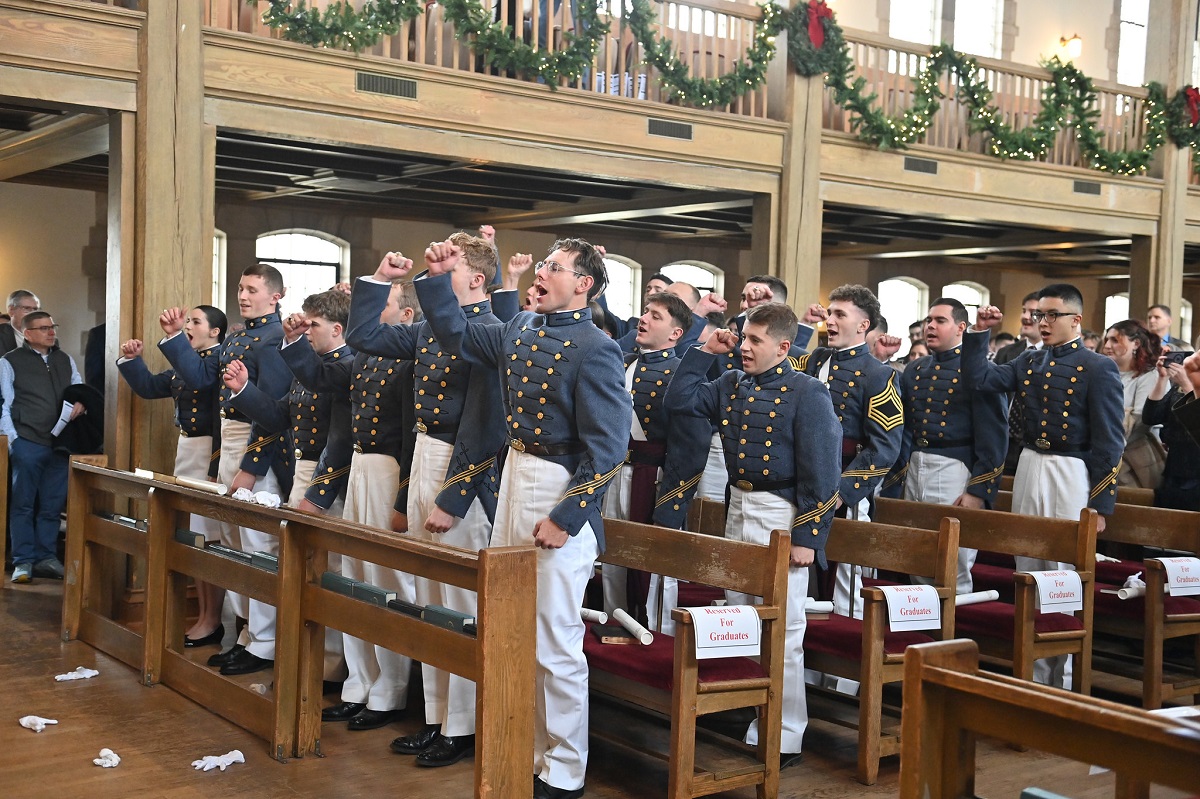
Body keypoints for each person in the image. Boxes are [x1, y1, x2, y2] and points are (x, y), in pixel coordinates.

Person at [415, 237, 628, 799]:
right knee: (512, 628)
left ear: (583, 284)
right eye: (544, 264)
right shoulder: (522, 328)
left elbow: (608, 449)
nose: (543, 273)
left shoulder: (596, 347)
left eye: (555, 268)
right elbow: (458, 335)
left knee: (555, 639)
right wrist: (438, 280)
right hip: (514, 478)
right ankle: (529, 750)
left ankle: (565, 767)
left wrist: (568, 514)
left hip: (558, 488)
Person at [344, 233, 507, 767]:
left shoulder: (489, 331)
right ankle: (437, 716)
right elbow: (364, 334)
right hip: (422, 457)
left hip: (460, 470)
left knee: (460, 605)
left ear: (477, 279)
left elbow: (484, 428)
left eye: (450, 268)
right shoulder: (426, 333)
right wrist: (382, 280)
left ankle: (463, 725)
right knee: (431, 601)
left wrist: (454, 499)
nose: (437, 275)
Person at [665, 301, 841, 765]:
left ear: (783, 347)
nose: (744, 346)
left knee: (783, 629)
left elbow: (823, 472)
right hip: (738, 504)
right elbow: (678, 401)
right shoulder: (729, 383)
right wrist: (704, 350)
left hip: (780, 513)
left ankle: (784, 732)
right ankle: (747, 710)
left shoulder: (807, 393)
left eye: (754, 340)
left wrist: (809, 536)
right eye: (743, 337)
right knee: (741, 618)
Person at [965, 284, 1124, 688]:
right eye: (1039, 315)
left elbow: (1109, 442)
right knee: (1027, 563)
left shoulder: (1097, 366)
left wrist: (1101, 506)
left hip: (1070, 470)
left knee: (1062, 570)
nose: (1044, 322)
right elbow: (980, 380)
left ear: (1075, 320)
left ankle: (1064, 679)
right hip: (1030, 465)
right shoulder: (1028, 361)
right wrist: (980, 332)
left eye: (1052, 315)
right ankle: (1033, 675)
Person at [158, 264, 294, 677]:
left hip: (258, 451)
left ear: (275, 296)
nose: (243, 295)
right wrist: (175, 337)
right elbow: (201, 377)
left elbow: (273, 415)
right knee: (235, 548)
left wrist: (251, 470)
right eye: (240, 287)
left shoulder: (274, 339)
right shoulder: (239, 335)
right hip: (230, 443)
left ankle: (266, 642)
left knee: (258, 549)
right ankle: (247, 635)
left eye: (252, 289)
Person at [318, 280, 420, 733]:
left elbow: (412, 434)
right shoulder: (364, 356)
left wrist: (401, 497)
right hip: (360, 465)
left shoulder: (410, 360)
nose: (375, 313)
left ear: (407, 316)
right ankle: (359, 683)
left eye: (384, 305)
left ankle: (390, 691)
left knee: (387, 581)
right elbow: (322, 376)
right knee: (355, 576)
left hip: (387, 468)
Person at [116, 305, 227, 643]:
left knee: (209, 537)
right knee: (195, 538)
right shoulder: (187, 363)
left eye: (195, 322)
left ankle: (212, 619)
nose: (189, 326)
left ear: (215, 332)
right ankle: (205, 615)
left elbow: (214, 406)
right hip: (187, 449)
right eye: (188, 320)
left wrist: (212, 467)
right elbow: (150, 387)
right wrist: (133, 361)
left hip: (210, 451)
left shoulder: (218, 361)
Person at [797, 285, 903, 621]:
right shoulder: (814, 360)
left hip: (847, 493)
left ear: (863, 325)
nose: (829, 320)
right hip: (806, 483)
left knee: (845, 588)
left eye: (839, 314)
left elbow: (884, 448)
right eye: (829, 313)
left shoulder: (879, 374)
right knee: (806, 580)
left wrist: (843, 492)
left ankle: (846, 675)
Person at [886, 298, 1007, 593]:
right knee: (918, 552)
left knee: (952, 560)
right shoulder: (915, 370)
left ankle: (952, 630)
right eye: (929, 320)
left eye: (940, 321)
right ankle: (923, 630)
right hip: (917, 466)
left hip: (955, 467)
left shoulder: (977, 369)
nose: (930, 326)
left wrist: (979, 490)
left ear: (961, 328)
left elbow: (994, 436)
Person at [599, 292, 691, 630]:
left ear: (675, 334)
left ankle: (659, 638)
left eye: (655, 316)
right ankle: (613, 628)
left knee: (655, 570)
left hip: (653, 477)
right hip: (614, 471)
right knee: (612, 559)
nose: (644, 318)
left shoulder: (681, 373)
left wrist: (672, 498)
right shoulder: (622, 361)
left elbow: (688, 447)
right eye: (645, 312)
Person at [2, 311, 83, 583]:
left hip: (59, 443)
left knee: (51, 505)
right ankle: (23, 562)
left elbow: (78, 388)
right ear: (28, 333)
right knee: (23, 504)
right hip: (27, 441)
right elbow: (5, 403)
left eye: (53, 326)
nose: (51, 332)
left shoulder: (64, 359)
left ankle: (46, 557)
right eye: (44, 328)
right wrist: (14, 441)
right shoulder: (9, 362)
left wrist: (82, 402)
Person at [1102, 320, 1164, 489]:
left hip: (1133, 458)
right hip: (1103, 453)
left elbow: (1141, 420)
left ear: (1136, 343)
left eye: (1115, 340)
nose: (1107, 345)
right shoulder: (1103, 372)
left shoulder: (1148, 375)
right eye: (1107, 340)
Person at [1143, 353, 1200, 511]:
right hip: (1175, 468)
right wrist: (1162, 379)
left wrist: (1189, 386)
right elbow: (1151, 417)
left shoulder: (1189, 383)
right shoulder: (1184, 384)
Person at [0, 289, 40, 354]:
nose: (33, 314)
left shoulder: (48, 336)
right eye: (27, 309)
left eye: (35, 309)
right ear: (11, 310)